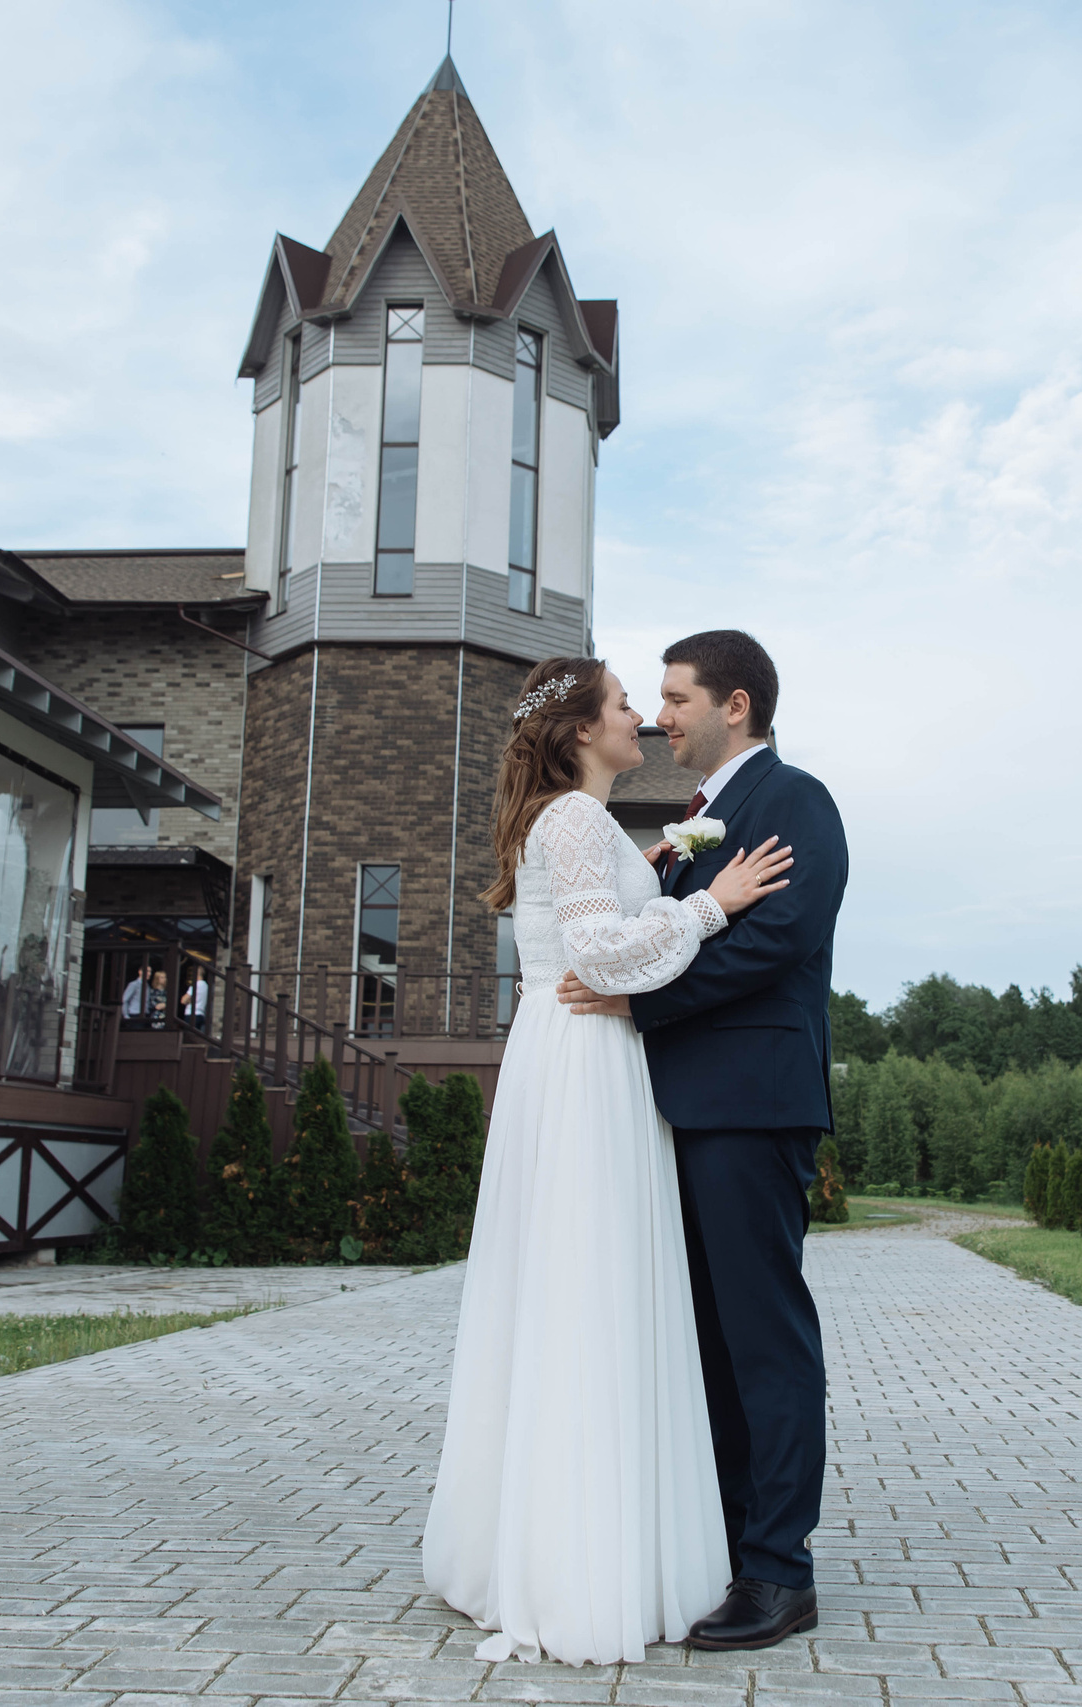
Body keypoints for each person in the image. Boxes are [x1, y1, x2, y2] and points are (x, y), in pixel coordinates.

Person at [422, 658, 796, 1666]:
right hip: (587, 1063)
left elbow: (605, 914)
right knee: (592, 1294)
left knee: (573, 1292)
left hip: (573, 1058)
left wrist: (671, 856)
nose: (642, 715)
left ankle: (562, 1538)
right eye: (627, 702)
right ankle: (582, 1560)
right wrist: (710, 901)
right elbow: (597, 955)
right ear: (586, 729)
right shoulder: (576, 821)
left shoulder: (577, 820)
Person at [558, 630, 848, 1651]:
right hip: (686, 1107)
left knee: (763, 1338)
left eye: (675, 698)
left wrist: (635, 1007)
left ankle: (780, 1570)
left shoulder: (794, 801)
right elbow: (683, 921)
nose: (655, 716)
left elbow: (777, 942)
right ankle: (728, 1543)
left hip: (751, 1104)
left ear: (734, 703)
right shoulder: (694, 819)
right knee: (711, 1345)